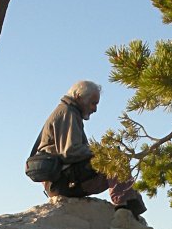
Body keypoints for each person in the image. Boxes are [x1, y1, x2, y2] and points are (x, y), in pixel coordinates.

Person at [32, 80, 146, 218]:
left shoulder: (68, 112)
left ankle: (131, 213)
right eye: (93, 103)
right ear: (79, 97)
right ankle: (124, 213)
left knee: (114, 161)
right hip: (63, 181)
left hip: (63, 180)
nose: (95, 109)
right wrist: (102, 152)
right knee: (114, 159)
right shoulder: (67, 112)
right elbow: (70, 152)